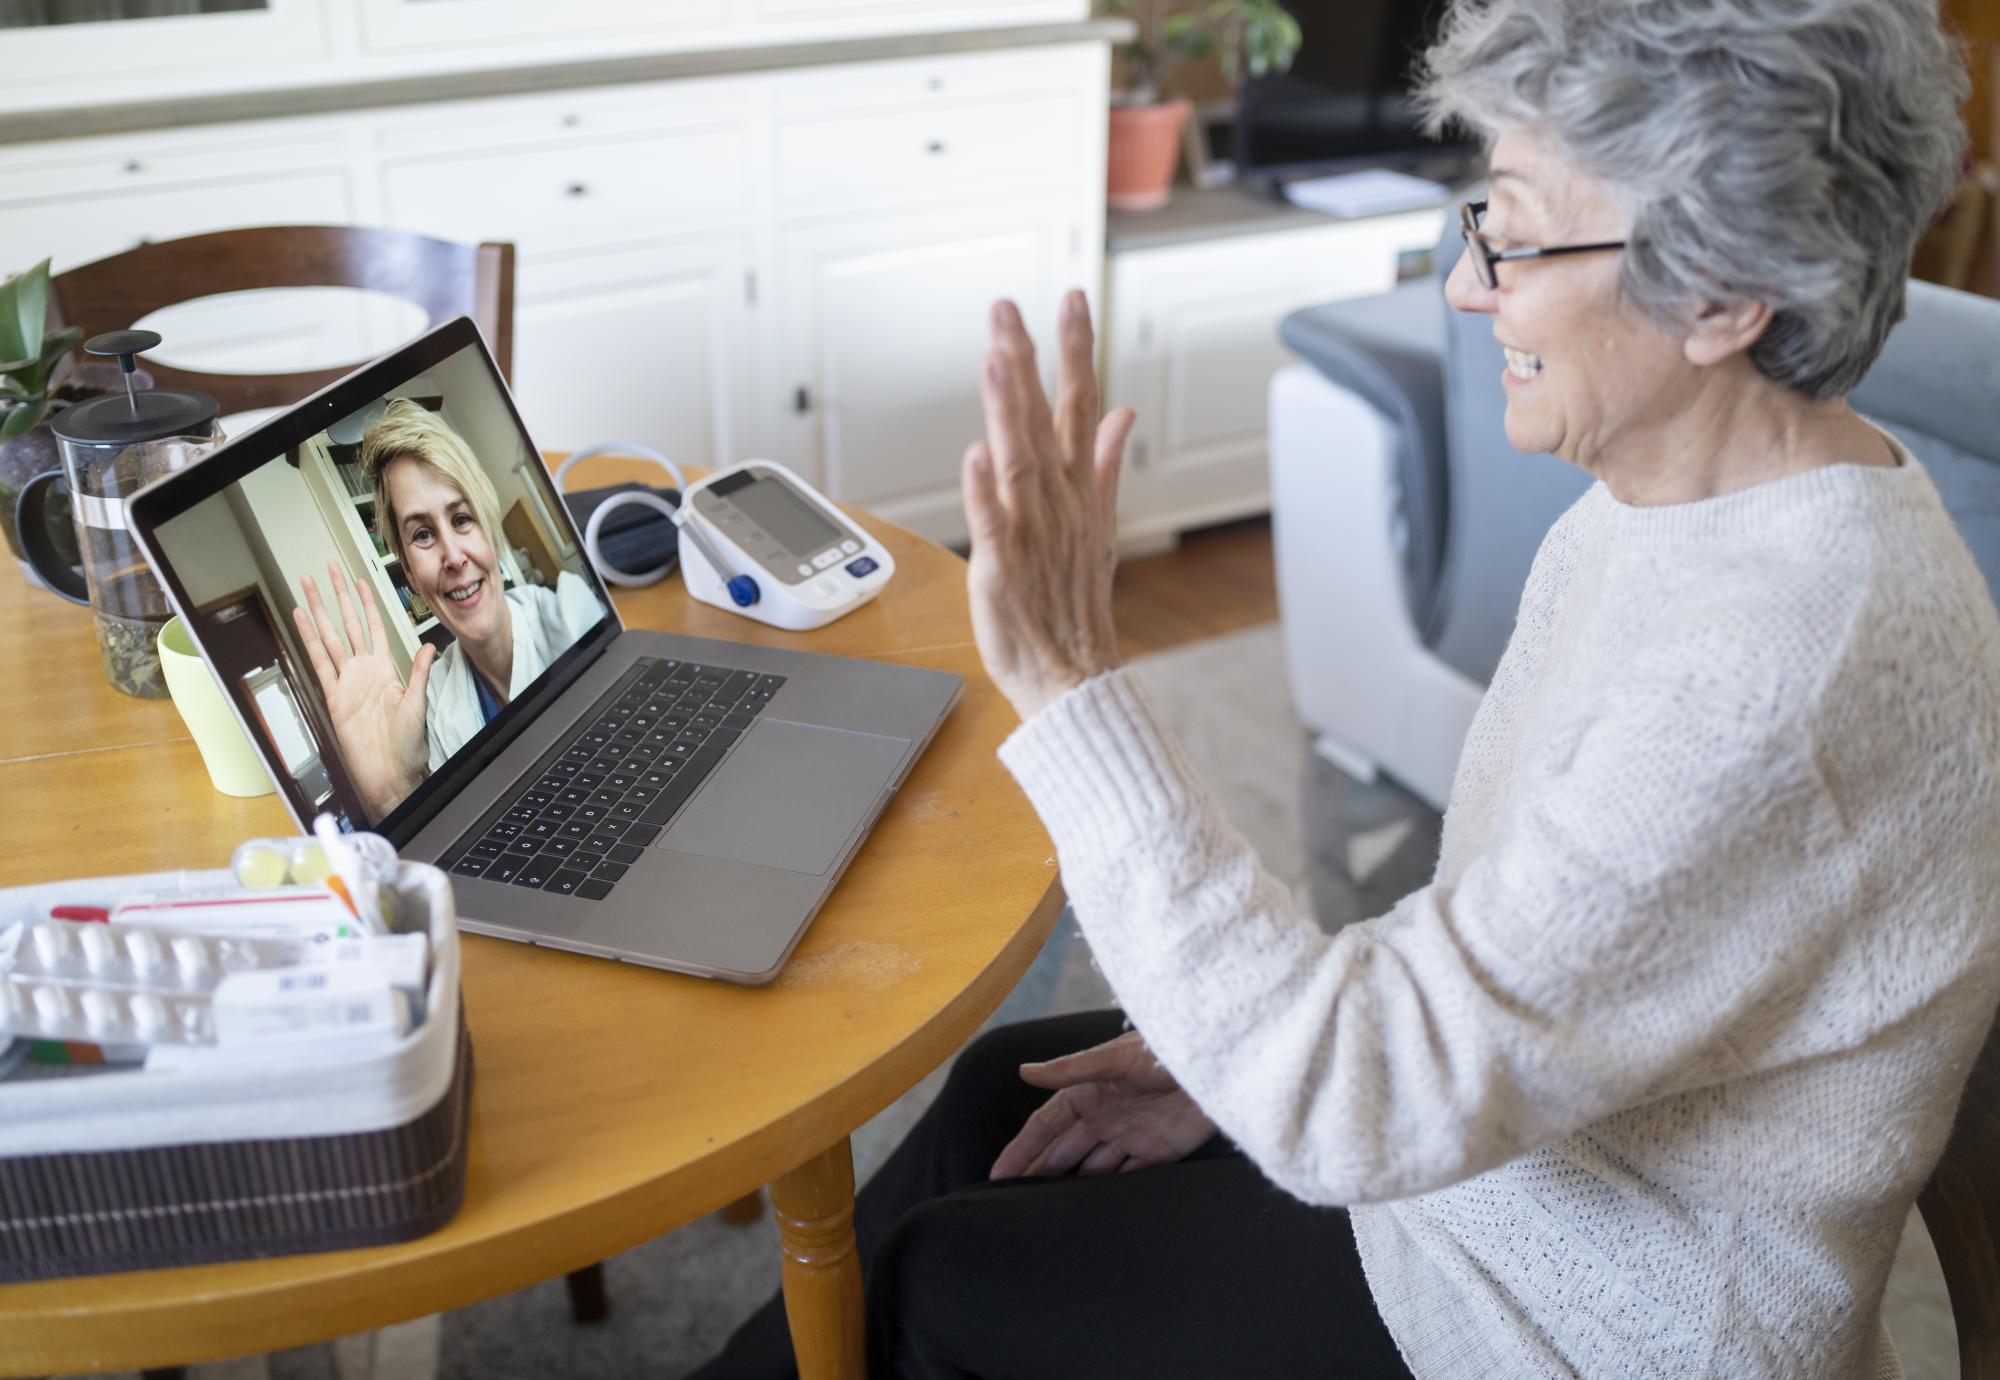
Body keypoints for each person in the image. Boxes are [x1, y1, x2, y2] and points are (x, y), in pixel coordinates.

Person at [698, 0, 2000, 1376]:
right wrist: (1236, 1049)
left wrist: (1078, 687)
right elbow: (1526, 927)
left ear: (1726, 296)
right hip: (1506, 1173)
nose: (1465, 286)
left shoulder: (1778, 675)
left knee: (935, 1283)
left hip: (1581, 1321)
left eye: (1514, 229)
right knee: (993, 1106)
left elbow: (1356, 1112)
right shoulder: (1673, 495)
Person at [293, 400, 605, 820]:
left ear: (489, 526)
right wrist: (393, 798)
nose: (454, 556)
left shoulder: (572, 617)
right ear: (408, 570)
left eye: (461, 519)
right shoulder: (436, 704)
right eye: (422, 534)